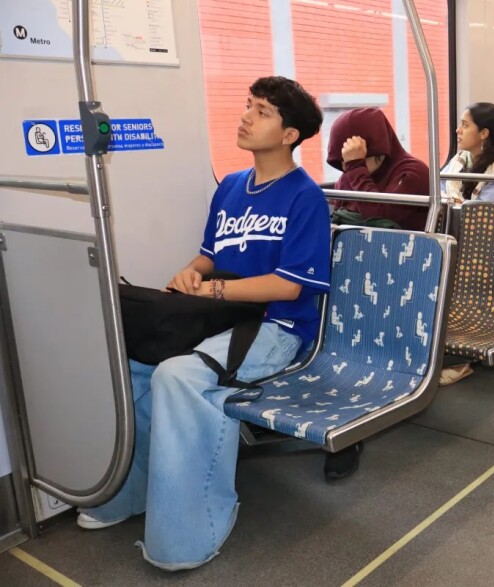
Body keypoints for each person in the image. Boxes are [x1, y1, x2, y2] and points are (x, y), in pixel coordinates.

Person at [76, 77, 331, 571]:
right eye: (247, 106)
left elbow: (289, 287)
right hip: (224, 316)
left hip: (278, 329)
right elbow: (211, 255)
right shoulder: (232, 187)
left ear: (289, 135)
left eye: (261, 112)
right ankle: (131, 495)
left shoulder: (305, 198)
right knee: (134, 364)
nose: (245, 117)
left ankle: (192, 528)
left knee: (179, 377)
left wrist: (212, 289)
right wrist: (192, 272)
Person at [326, 107, 429, 230]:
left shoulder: (413, 173)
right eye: (343, 160)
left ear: (378, 150)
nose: (345, 166)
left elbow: (379, 220)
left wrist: (356, 166)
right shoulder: (348, 176)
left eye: (355, 154)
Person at [442, 102, 494, 203]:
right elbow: (440, 188)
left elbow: (486, 210)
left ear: (483, 133)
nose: (458, 130)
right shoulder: (460, 159)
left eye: (465, 125)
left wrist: (456, 203)